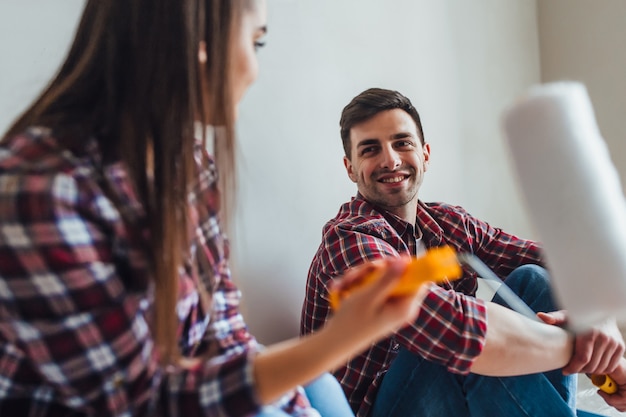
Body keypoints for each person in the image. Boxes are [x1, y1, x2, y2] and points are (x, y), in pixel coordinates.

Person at [0, 3, 443, 416]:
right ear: (198, 45)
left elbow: (226, 328)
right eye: (256, 41)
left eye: (402, 143)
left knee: (318, 389)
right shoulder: (43, 191)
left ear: (426, 152)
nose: (254, 69)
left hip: (192, 385)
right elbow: (142, 399)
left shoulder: (188, 164)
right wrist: (338, 340)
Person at [301, 87, 625, 417]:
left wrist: (599, 322)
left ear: (425, 153)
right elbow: (456, 331)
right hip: (378, 410)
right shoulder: (349, 239)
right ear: (351, 168)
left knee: (536, 280)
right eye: (370, 150)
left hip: (454, 400)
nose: (390, 160)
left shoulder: (449, 224)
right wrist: (583, 350)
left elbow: (555, 262)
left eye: (402, 143)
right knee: (465, 351)